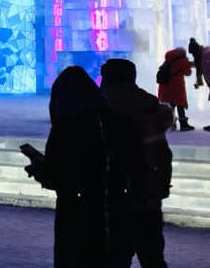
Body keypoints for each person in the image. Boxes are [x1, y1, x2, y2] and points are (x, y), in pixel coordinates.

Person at [23, 65, 137, 268]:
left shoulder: (66, 127)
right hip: (114, 212)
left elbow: (57, 175)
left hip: (76, 215)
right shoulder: (114, 120)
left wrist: (39, 167)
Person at [101, 58, 173, 268]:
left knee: (116, 255)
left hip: (117, 195)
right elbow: (163, 155)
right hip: (150, 193)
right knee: (152, 255)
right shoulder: (151, 109)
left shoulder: (105, 112)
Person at [157, 47, 194, 131]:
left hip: (165, 86)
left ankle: (171, 124)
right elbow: (188, 73)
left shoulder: (168, 59)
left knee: (171, 105)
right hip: (177, 86)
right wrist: (187, 63)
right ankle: (183, 124)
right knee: (180, 105)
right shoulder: (182, 61)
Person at [188, 37, 210, 131]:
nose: (193, 55)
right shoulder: (203, 54)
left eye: (193, 53)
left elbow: (203, 66)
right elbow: (199, 64)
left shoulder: (206, 55)